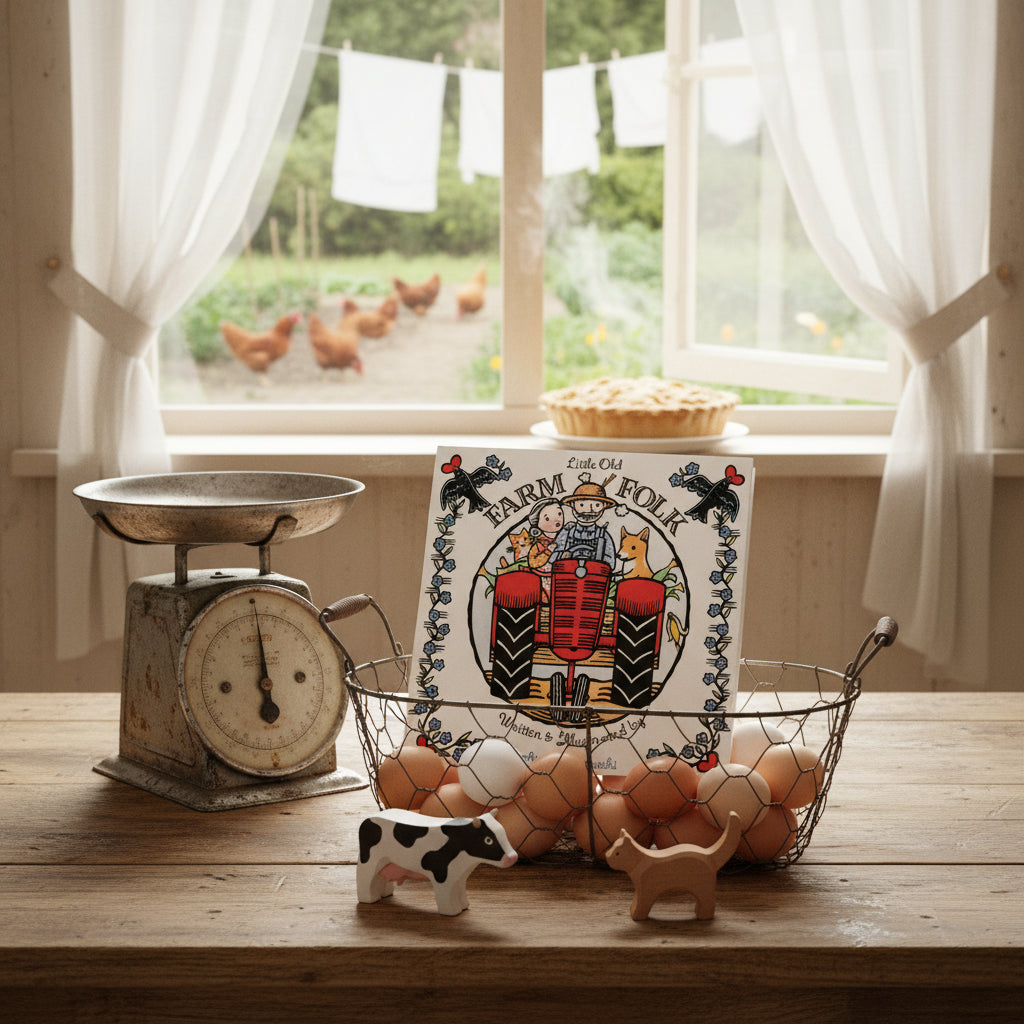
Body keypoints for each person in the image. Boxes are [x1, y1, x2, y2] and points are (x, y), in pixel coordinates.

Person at [551, 474, 618, 569]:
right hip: (567, 573)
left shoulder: (603, 535)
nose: (588, 511)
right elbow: (553, 557)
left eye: (596, 505)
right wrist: (565, 555)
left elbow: (611, 563)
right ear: (572, 505)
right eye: (582, 505)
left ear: (604, 506)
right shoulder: (567, 531)